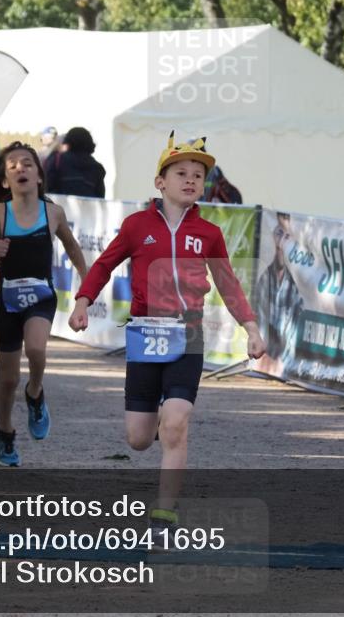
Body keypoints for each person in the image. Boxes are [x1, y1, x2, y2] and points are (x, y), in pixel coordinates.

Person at [67, 132, 266, 541]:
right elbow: (103, 266)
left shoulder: (209, 233)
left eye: (198, 175)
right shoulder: (136, 226)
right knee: (138, 439)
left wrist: (250, 327)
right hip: (144, 337)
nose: (191, 180)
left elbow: (228, 284)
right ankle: (160, 420)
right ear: (160, 181)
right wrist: (83, 301)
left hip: (187, 337)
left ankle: (164, 515)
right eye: (181, 173)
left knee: (176, 424)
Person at [0, 141, 88, 466]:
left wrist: (87, 279)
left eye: (27, 163)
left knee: (37, 349)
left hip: (40, 296)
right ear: (4, 181)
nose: (20, 169)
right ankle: (6, 430)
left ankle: (36, 392)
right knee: (7, 378)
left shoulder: (52, 212)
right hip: (8, 301)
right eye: (12, 167)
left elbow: (72, 246)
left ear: (39, 176)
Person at [253, 213, 303, 372]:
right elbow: (259, 320)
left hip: (284, 365)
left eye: (287, 235)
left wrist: (284, 363)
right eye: (279, 233)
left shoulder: (296, 285)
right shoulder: (265, 279)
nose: (282, 241)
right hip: (264, 360)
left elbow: (294, 334)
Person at [45, 126, 106, 197]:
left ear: (68, 141)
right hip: (87, 207)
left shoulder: (57, 159)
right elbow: (100, 197)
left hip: (59, 205)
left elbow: (47, 187)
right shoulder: (97, 168)